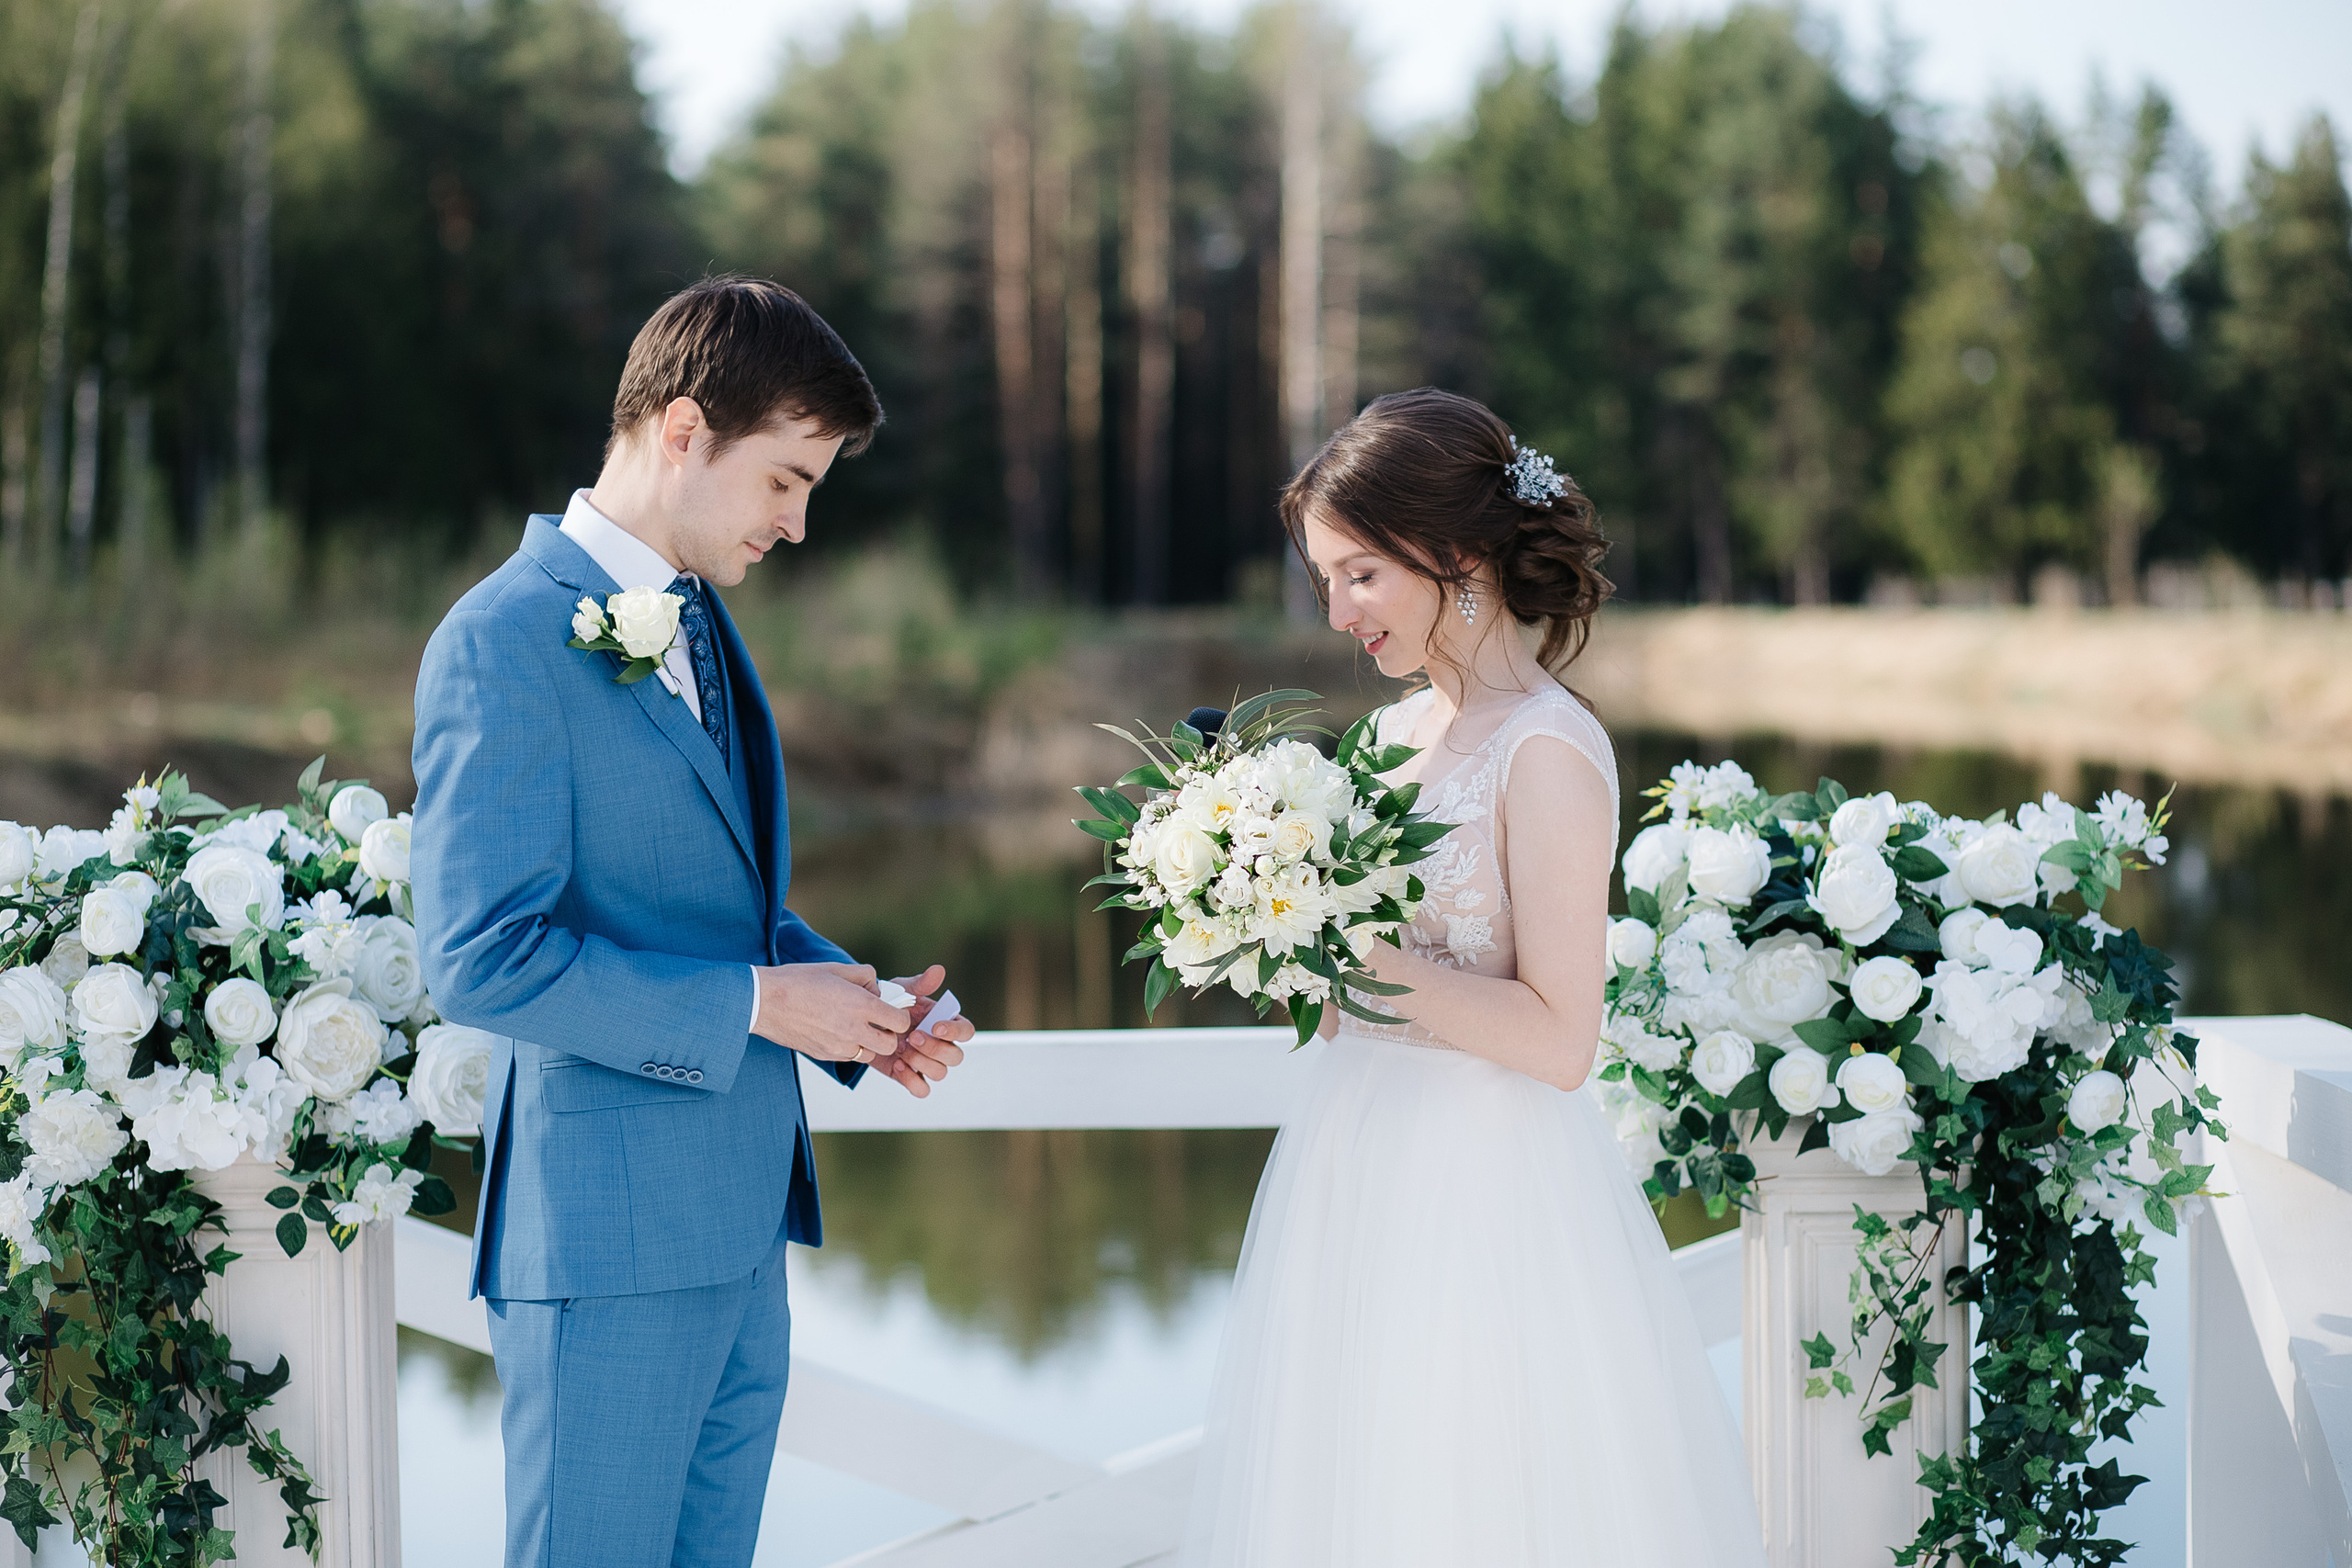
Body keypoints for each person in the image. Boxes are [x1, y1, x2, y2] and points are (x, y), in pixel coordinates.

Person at [410, 276, 975, 1568]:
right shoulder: (498, 640)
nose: (797, 520)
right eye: (785, 479)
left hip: (736, 1231)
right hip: (601, 1250)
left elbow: (716, 900)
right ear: (680, 431)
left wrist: (857, 1002)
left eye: (813, 489)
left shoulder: (704, 622)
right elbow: (479, 956)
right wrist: (761, 1005)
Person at [1179, 388, 1768, 1566]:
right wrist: (1256, 923)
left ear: (1453, 554)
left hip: (1484, 1196)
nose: (1337, 612)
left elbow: (1560, 1039)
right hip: (1350, 1169)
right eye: (1324, 581)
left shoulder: (1544, 751)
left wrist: (1362, 956)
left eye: (1359, 575)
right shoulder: (1391, 738)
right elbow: (1356, 979)